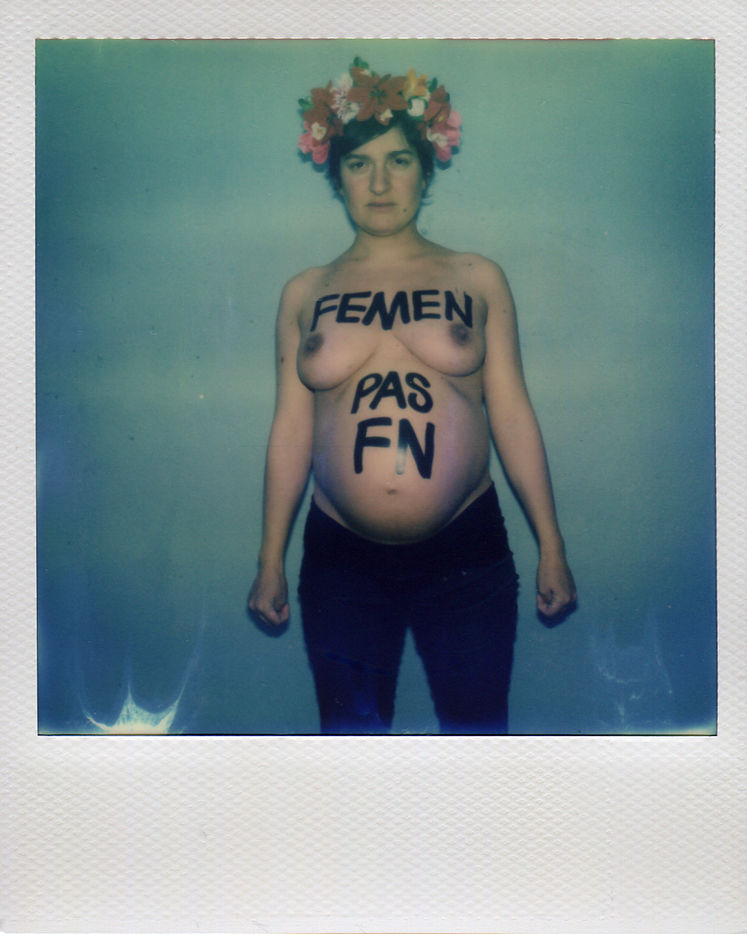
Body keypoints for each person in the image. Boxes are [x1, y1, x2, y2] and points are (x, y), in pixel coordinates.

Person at [248, 60, 576, 734]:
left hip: (466, 552)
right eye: (359, 164)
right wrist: (268, 559)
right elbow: (290, 430)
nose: (379, 183)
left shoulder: (476, 277)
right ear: (336, 175)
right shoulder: (304, 292)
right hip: (340, 560)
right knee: (350, 742)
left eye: (398, 161)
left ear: (425, 171)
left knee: (478, 735)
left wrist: (551, 543)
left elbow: (511, 412)